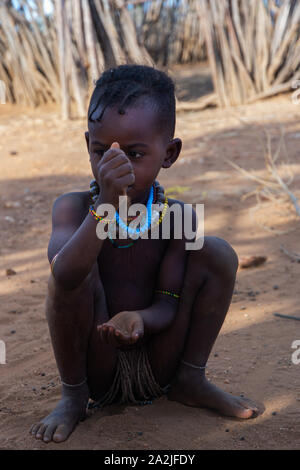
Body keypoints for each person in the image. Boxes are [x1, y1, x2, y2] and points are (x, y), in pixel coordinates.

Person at [30, 65, 258, 444]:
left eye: (135, 155)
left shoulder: (178, 217)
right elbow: (66, 277)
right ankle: (72, 397)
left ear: (169, 154)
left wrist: (139, 318)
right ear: (88, 144)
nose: (114, 167)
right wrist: (105, 203)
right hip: (96, 368)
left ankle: (190, 379)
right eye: (101, 151)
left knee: (217, 252)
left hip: (159, 361)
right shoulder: (72, 208)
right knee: (71, 266)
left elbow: (169, 305)